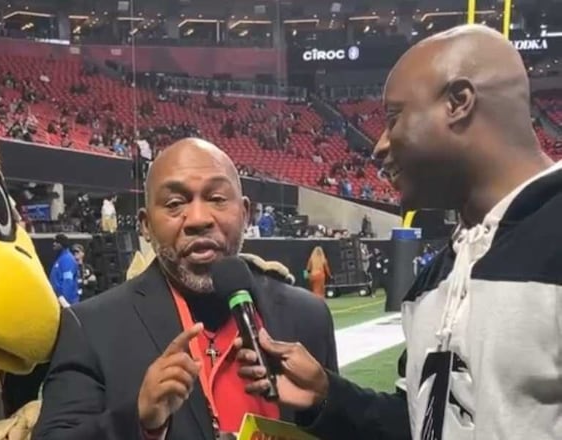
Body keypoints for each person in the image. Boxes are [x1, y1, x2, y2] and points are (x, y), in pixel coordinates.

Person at [237, 24, 562, 440]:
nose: (379, 146)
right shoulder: (434, 279)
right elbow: (420, 421)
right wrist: (330, 396)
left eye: (394, 118)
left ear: (458, 103)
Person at [34, 138, 338, 439]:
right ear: (145, 225)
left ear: (245, 213)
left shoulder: (308, 316)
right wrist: (139, 421)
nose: (198, 219)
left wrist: (320, 409)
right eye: (175, 204)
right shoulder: (91, 328)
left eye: (217, 198)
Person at [49, 233, 80, 305]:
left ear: (61, 244)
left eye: (56, 242)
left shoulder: (67, 259)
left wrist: (64, 302)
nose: (54, 244)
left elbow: (68, 282)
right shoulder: (61, 258)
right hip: (59, 300)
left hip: (66, 302)